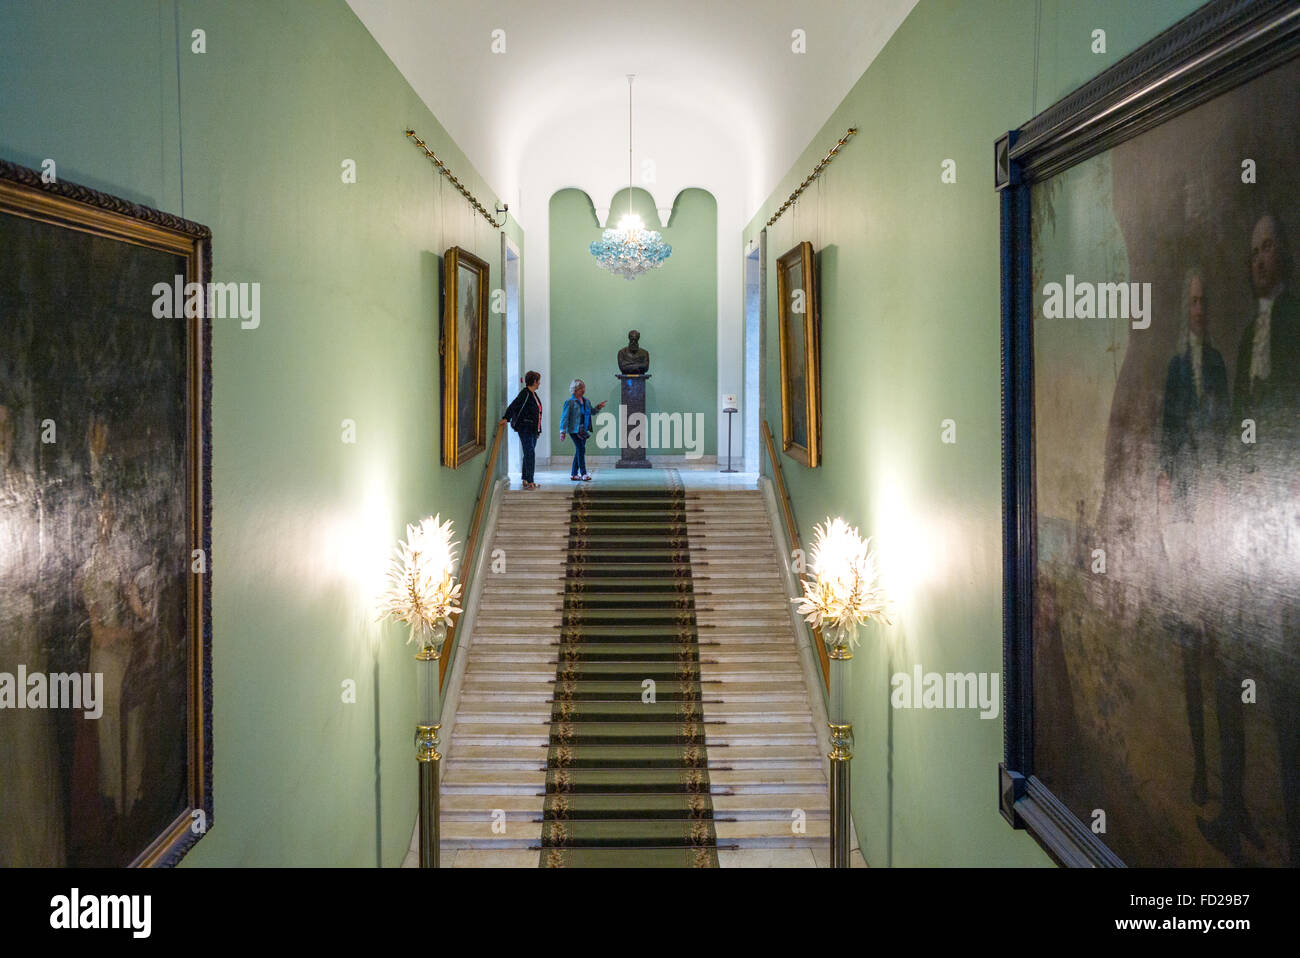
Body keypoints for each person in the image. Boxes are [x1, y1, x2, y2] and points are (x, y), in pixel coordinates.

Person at [1156, 267, 1229, 811]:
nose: (1199, 310)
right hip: (1183, 518)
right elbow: (1167, 440)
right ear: (1186, 310)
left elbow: (1224, 437)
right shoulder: (1177, 369)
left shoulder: (1222, 366)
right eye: (1193, 302)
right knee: (1188, 654)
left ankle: (1228, 786)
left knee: (1218, 651)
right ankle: (1200, 771)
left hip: (1214, 517)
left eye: (1206, 302)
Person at [500, 371, 543, 489]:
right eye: (538, 381)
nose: (539, 383)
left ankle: (525, 478)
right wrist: (506, 418)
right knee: (530, 453)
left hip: (533, 429)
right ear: (534, 382)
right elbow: (515, 405)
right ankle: (530, 481)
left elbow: (538, 413)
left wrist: (538, 430)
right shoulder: (525, 394)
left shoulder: (534, 394)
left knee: (528, 453)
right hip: (525, 429)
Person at [559, 379, 606, 481]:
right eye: (581, 388)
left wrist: (598, 407)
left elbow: (592, 412)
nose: (583, 390)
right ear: (575, 390)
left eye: (584, 388)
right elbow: (564, 417)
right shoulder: (569, 402)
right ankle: (583, 473)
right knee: (581, 449)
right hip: (574, 430)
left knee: (579, 450)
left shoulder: (586, 401)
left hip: (584, 430)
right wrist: (562, 431)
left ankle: (573, 473)